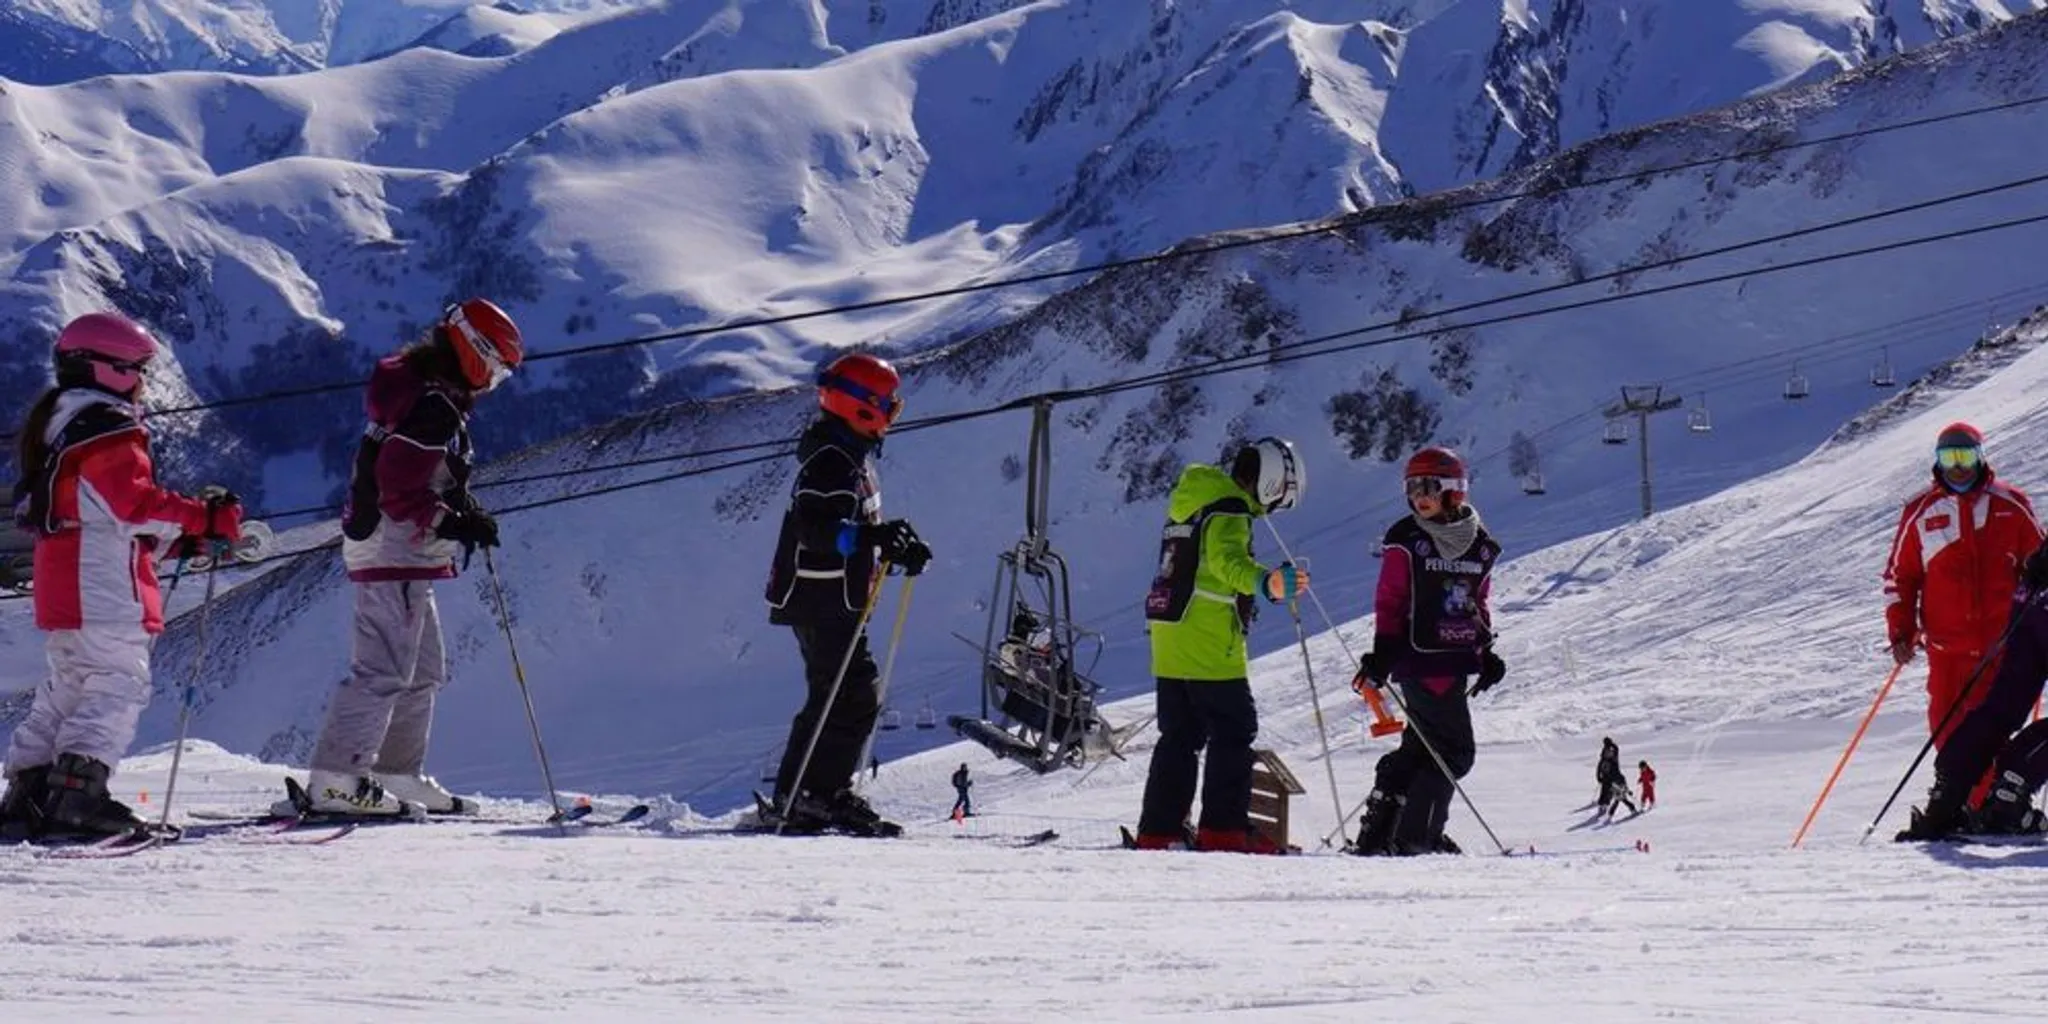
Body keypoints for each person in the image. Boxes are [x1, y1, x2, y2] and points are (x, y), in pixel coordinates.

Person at [0, 312, 242, 839]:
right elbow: (133, 507)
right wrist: (204, 518)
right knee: (116, 683)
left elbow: (98, 511)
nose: (142, 382)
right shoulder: (108, 428)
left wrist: (179, 537)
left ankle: (30, 791)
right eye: (134, 369)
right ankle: (79, 797)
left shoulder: (61, 424)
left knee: (69, 685)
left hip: (65, 575)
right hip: (102, 583)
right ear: (104, 369)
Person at [285, 299, 522, 818]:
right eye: (497, 370)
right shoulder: (432, 405)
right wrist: (452, 521)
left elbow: (419, 474)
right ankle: (337, 778)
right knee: (384, 669)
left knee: (423, 670)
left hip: (404, 550)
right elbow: (398, 488)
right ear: (475, 351)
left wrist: (460, 507)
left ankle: (396, 771)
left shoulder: (429, 393)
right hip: (394, 547)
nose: (493, 383)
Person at [762, 352, 930, 836]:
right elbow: (815, 530)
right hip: (818, 600)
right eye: (889, 407)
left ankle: (812, 793)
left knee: (842, 694)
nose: (892, 417)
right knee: (848, 694)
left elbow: (855, 529)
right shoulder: (831, 462)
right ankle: (812, 795)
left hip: (835, 599)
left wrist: (891, 545)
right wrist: (872, 540)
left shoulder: (848, 453)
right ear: (862, 407)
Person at [1133, 437, 1308, 853]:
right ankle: (1224, 831)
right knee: (1235, 728)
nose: (1273, 510)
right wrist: (1267, 583)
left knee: (1180, 734)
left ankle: (1159, 831)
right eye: (1281, 499)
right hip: (1207, 633)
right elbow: (1229, 563)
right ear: (1270, 483)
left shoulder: (1194, 500)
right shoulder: (1230, 508)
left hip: (1169, 631)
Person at [1352, 446, 1503, 856]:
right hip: (1418, 658)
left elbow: (1476, 602)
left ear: (1455, 491)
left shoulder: (1479, 545)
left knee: (1421, 750)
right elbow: (1391, 599)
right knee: (1455, 752)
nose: (1419, 495)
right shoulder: (1407, 540)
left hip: (1453, 659)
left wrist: (1485, 651)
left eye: (1429, 486)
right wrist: (1382, 654)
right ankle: (1418, 836)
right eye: (1412, 486)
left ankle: (1381, 834)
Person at [1883, 422, 2042, 806]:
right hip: (1947, 649)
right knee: (1948, 732)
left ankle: (1990, 807)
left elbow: (2040, 567)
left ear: (1980, 456)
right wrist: (1901, 633)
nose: (1958, 467)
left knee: (1993, 730)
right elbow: (1899, 578)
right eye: (1948, 458)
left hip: (2002, 649)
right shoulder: (1920, 511)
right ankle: (1963, 806)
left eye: (1965, 456)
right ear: (1937, 461)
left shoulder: (2011, 505)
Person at [1897, 542, 2048, 840]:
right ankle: (2010, 793)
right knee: (2006, 701)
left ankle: (1948, 795)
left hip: (2033, 594)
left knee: (2004, 703)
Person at [1597, 741, 1637, 822]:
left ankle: (1611, 814)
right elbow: (1599, 769)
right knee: (1618, 800)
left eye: (1610, 753)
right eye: (1607, 753)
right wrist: (1599, 777)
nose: (1608, 754)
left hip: (1618, 782)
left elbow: (1616, 749)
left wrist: (1611, 743)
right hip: (1613, 783)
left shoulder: (1614, 761)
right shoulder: (1604, 760)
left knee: (1618, 800)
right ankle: (1608, 811)